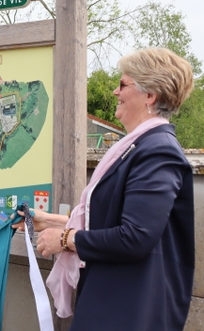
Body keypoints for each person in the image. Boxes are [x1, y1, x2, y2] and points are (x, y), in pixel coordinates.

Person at [15, 47, 195, 330]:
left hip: (130, 309)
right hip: (117, 301)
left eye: (123, 84)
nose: (115, 91)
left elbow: (135, 237)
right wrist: (50, 221)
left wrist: (65, 239)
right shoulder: (137, 147)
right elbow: (116, 218)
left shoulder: (158, 152)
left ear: (150, 95)